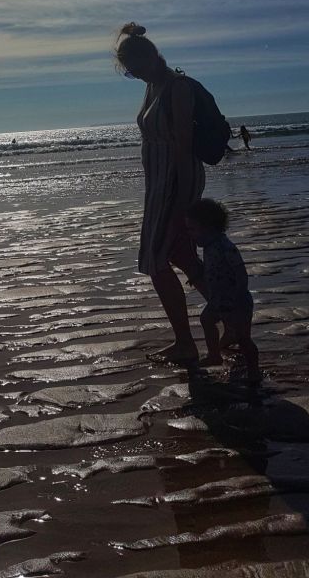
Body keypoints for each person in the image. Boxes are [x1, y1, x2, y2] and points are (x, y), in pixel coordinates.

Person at [114, 22, 206, 364]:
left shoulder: (176, 87)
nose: (135, 75)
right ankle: (232, 319)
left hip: (175, 184)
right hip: (157, 186)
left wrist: (183, 202)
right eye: (129, 72)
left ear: (152, 58)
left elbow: (183, 145)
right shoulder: (152, 86)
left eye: (135, 68)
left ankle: (186, 343)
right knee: (180, 254)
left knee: (155, 259)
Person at [185, 198, 260, 383]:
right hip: (219, 300)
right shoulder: (210, 246)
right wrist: (197, 276)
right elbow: (214, 268)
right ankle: (214, 355)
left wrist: (239, 296)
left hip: (237, 301)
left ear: (209, 228)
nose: (190, 234)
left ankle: (254, 370)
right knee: (206, 319)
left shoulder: (225, 246)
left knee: (244, 339)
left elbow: (240, 271)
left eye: (192, 229)